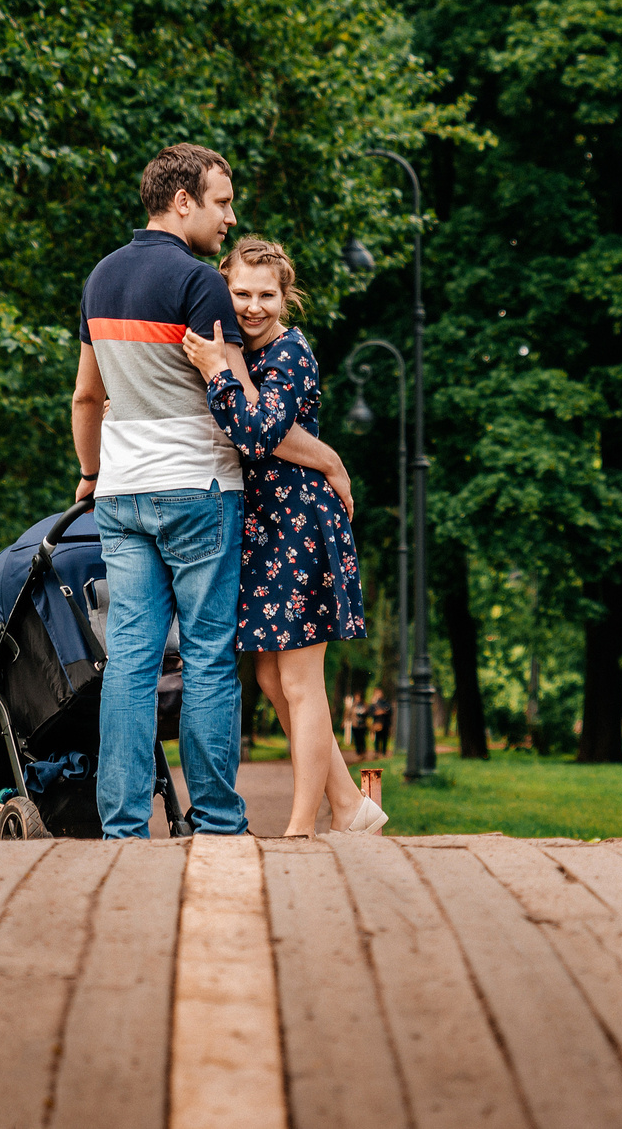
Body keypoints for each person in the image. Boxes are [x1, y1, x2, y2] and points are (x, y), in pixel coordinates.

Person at [69, 145, 257, 837]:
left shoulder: (100, 279)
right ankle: (214, 820)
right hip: (199, 489)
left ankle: (122, 825)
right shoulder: (200, 283)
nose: (230, 217)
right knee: (207, 653)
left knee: (131, 658)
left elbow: (88, 396)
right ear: (183, 200)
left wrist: (91, 475)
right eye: (221, 201)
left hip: (120, 495)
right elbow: (239, 400)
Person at [183, 237, 385, 837]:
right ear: (225, 289)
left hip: (301, 525)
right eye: (240, 293)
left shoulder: (290, 350)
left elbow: (258, 432)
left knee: (299, 680)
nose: (252, 306)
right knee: (272, 678)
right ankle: (351, 804)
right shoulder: (242, 350)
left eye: (266, 295)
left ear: (285, 297)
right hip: (267, 526)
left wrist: (217, 370)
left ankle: (303, 825)